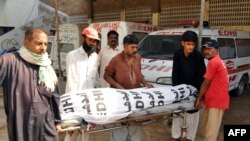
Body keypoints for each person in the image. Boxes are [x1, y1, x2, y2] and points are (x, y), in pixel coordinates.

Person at [0, 28, 61, 141]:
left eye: (45, 44)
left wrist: (57, 121)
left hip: (45, 123)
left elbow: (55, 95)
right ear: (26, 42)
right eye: (38, 43)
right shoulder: (9, 61)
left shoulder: (46, 66)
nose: (43, 48)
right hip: (21, 125)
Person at [104, 34, 153, 141]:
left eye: (136, 47)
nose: (135, 50)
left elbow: (139, 73)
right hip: (120, 98)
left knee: (135, 124)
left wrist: (145, 83)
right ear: (125, 46)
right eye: (132, 47)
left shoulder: (138, 57)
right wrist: (119, 87)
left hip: (135, 97)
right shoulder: (116, 59)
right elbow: (106, 76)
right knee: (119, 127)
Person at [64, 27, 100, 141]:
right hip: (75, 100)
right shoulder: (72, 55)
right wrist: (74, 102)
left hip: (90, 101)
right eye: (90, 40)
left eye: (95, 41)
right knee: (71, 130)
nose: (92, 43)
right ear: (83, 39)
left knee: (86, 130)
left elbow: (96, 78)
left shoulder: (95, 56)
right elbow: (71, 81)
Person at [171, 30, 206, 141]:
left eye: (193, 44)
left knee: (192, 120)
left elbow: (202, 78)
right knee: (177, 119)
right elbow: (175, 74)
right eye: (188, 44)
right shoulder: (177, 54)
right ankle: (176, 137)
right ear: (183, 43)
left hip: (194, 95)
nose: (191, 47)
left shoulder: (198, 57)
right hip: (180, 93)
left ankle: (190, 138)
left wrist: (200, 97)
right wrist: (175, 93)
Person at [195, 39, 230, 141]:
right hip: (212, 100)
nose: (206, 51)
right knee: (204, 128)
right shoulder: (217, 60)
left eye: (209, 49)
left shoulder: (214, 62)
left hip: (217, 101)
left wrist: (199, 98)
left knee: (210, 132)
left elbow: (206, 83)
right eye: (205, 49)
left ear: (216, 49)